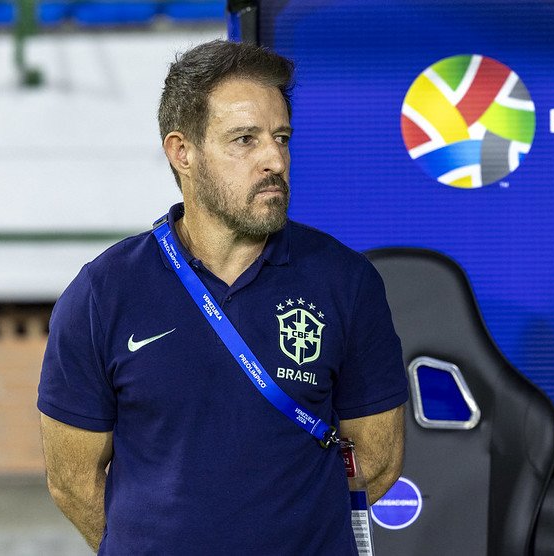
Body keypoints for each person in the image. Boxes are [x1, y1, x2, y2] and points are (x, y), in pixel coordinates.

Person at [37, 39, 408, 555]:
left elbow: (378, 460)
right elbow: (72, 480)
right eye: (244, 140)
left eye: (281, 137)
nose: (274, 159)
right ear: (182, 152)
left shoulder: (345, 281)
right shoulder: (102, 293)